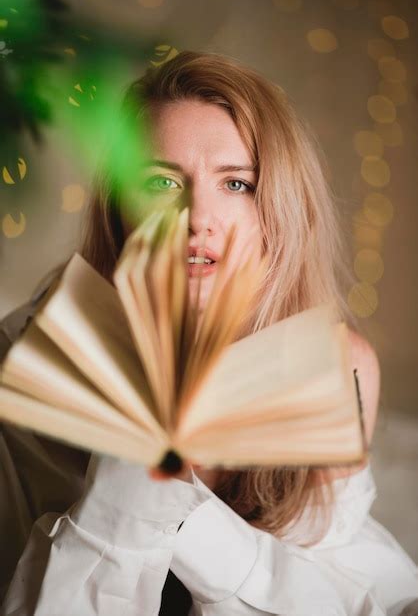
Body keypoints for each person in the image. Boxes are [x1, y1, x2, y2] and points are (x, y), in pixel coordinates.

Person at [1, 50, 417, 615]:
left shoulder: (336, 368)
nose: (198, 215)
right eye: (161, 180)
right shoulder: (31, 355)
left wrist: (189, 517)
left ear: (279, 207)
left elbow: (326, 592)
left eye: (237, 184)